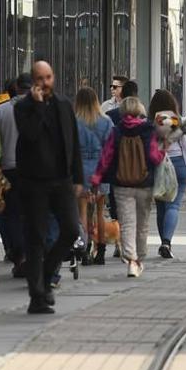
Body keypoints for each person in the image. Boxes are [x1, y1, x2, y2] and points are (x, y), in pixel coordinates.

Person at [12, 61, 83, 315]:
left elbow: (73, 141)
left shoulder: (64, 104)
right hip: (34, 182)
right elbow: (29, 135)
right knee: (36, 239)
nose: (45, 83)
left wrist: (78, 178)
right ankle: (37, 296)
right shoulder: (22, 107)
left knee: (71, 229)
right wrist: (38, 105)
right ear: (33, 81)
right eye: (40, 78)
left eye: (48, 77)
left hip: (61, 180)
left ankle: (44, 274)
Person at [91, 96, 164, 278]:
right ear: (139, 110)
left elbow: (106, 158)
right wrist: (163, 151)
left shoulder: (116, 131)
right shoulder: (148, 130)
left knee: (127, 223)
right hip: (144, 183)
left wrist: (97, 179)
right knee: (142, 224)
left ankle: (130, 260)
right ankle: (139, 259)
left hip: (121, 184)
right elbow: (155, 157)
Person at [151, 91, 186, 258]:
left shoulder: (152, 122)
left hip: (158, 164)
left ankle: (163, 241)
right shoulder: (180, 121)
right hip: (178, 165)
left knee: (161, 207)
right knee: (173, 206)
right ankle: (166, 242)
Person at [73, 87, 114, 264]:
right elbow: (111, 148)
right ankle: (101, 250)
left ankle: (84, 248)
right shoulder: (106, 121)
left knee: (82, 211)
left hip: (81, 170)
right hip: (100, 170)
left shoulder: (74, 121)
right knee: (100, 211)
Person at [0, 74, 29, 279]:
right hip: (32, 170)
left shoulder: (2, 110)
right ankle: (30, 253)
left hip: (8, 168)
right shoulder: (40, 108)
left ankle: (19, 254)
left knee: (12, 214)